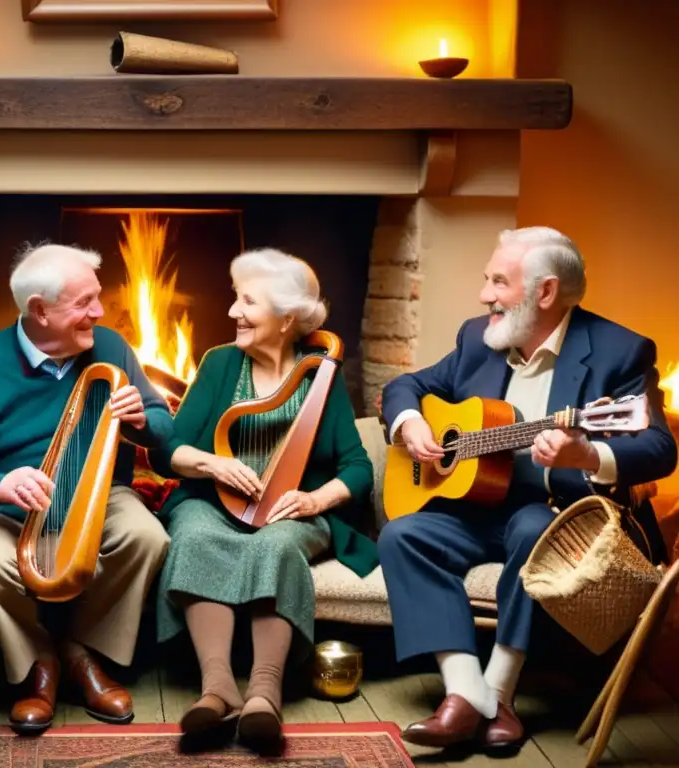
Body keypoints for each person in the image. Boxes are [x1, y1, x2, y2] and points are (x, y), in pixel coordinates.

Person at [378, 226, 677, 753]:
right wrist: (409, 423)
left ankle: (500, 691)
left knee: (535, 529)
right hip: (477, 506)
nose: (484, 294)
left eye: (498, 282)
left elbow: (658, 448)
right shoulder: (479, 337)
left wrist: (586, 454)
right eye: (486, 280)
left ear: (544, 292)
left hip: (556, 510)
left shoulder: (620, 351)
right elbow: (409, 386)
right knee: (403, 535)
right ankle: (465, 692)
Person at [0, 243, 173, 734]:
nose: (98, 312)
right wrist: (1, 483)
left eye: (97, 298)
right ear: (39, 310)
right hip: (5, 506)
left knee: (148, 538)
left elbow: (163, 425)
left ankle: (85, 652)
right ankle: (40, 663)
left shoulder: (112, 347)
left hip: (98, 496)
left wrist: (143, 421)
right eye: (84, 303)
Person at [146, 248, 377, 751]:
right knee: (195, 533)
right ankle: (217, 688)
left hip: (292, 511)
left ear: (287, 317)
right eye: (236, 298)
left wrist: (315, 501)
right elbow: (168, 450)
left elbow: (358, 468)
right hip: (211, 500)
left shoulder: (322, 378)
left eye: (247, 302)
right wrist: (211, 463)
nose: (233, 312)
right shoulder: (219, 363)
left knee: (274, 545)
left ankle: (264, 693)